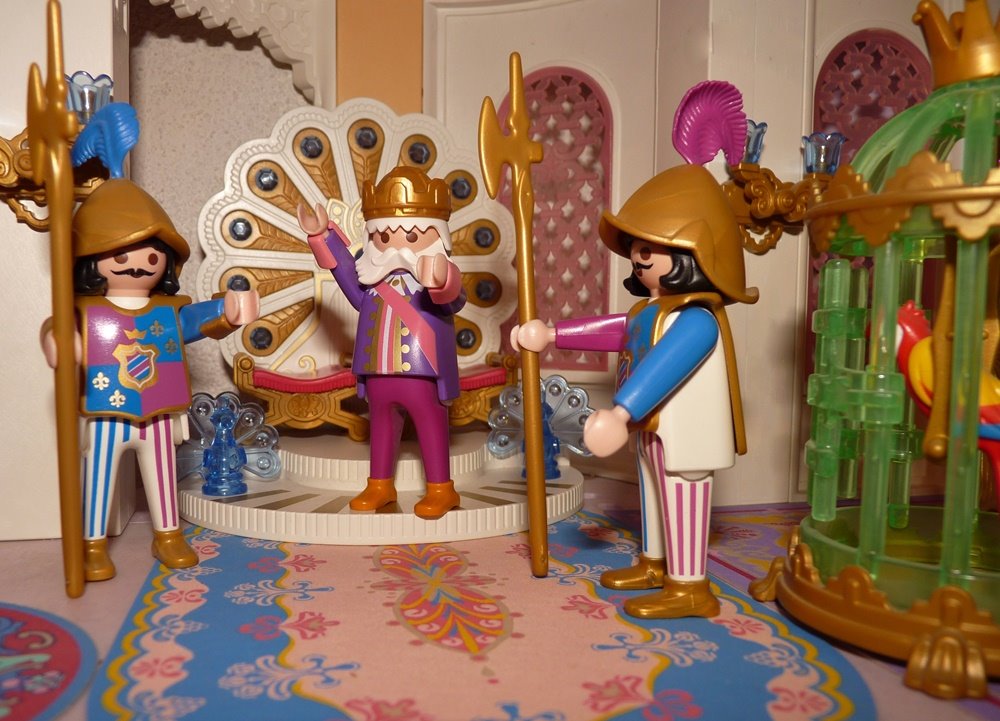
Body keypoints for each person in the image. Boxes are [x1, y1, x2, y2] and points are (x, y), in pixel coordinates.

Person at [514, 164, 757, 618]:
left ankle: (690, 586)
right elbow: (614, 330)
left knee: (681, 497)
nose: (638, 258)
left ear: (692, 250)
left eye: (648, 248)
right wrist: (552, 334)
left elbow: (666, 366)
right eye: (635, 249)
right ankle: (655, 563)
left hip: (684, 436)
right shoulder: (649, 310)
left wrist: (622, 412)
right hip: (651, 428)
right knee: (651, 493)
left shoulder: (697, 319)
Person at [41, 178, 259, 581]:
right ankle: (92, 544)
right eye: (121, 254)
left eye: (152, 255)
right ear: (89, 259)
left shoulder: (167, 311)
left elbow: (195, 320)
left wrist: (227, 311)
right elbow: (57, 328)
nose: (138, 264)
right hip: (106, 410)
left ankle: (168, 535)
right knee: (99, 476)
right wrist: (59, 340)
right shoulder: (84, 310)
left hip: (158, 409)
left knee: (161, 475)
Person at [298, 166, 466, 520]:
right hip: (377, 369)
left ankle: (441, 489)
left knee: (431, 425)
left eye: (412, 237)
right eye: (385, 237)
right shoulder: (372, 284)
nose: (396, 247)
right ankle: (380, 485)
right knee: (381, 426)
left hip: (423, 371)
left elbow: (452, 295)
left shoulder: (434, 279)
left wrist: (440, 279)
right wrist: (322, 237)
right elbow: (346, 272)